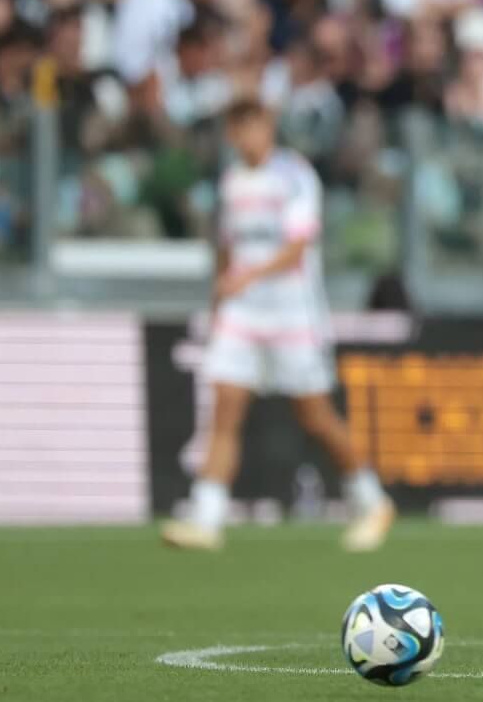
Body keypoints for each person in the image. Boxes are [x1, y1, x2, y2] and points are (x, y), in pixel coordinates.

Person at [160, 98, 394, 552]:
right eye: (239, 128)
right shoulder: (231, 183)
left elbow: (296, 248)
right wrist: (219, 299)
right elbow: (228, 248)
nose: (248, 136)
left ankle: (372, 501)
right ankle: (206, 518)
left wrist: (244, 277)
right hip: (242, 314)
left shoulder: (294, 176)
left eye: (255, 126)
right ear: (232, 134)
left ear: (268, 128)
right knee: (225, 406)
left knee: (316, 416)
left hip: (292, 313)